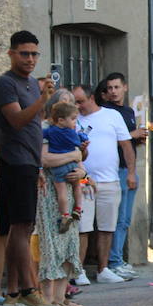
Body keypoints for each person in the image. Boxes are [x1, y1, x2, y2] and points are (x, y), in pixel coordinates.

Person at [0, 30, 62, 306]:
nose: (30, 59)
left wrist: (39, 167)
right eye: (24, 53)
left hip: (30, 163)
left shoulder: (33, 84)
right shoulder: (5, 83)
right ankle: (28, 290)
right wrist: (43, 100)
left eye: (34, 54)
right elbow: (17, 120)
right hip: (14, 162)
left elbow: (35, 127)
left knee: (21, 228)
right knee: (21, 227)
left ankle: (13, 291)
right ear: (11, 53)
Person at [75, 84, 135, 283]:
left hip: (109, 180)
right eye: (75, 102)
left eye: (81, 101)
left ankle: (103, 269)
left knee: (107, 227)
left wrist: (131, 173)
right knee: (82, 227)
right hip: (83, 182)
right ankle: (79, 270)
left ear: (92, 98)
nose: (78, 106)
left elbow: (126, 145)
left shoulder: (112, 116)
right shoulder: (73, 119)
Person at [37, 89, 85, 306]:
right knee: (52, 244)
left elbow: (81, 163)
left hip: (70, 191)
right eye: (63, 102)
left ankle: (60, 297)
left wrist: (82, 172)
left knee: (69, 244)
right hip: (50, 192)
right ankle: (48, 299)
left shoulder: (73, 129)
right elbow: (45, 159)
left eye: (71, 103)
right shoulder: (46, 130)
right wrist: (73, 156)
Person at [99, 72, 145, 279]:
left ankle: (118, 259)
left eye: (117, 87)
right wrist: (132, 135)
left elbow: (128, 142)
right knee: (116, 219)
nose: (113, 92)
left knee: (125, 219)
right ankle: (114, 261)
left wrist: (138, 139)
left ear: (125, 87)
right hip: (115, 171)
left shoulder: (128, 111)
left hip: (129, 169)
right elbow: (110, 140)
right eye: (109, 88)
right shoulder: (106, 112)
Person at [42, 98, 87, 232]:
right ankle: (78, 208)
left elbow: (41, 135)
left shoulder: (49, 131)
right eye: (73, 119)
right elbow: (78, 146)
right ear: (61, 119)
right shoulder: (71, 132)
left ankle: (65, 215)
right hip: (71, 165)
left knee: (61, 192)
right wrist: (82, 141)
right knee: (77, 187)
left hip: (59, 169)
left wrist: (83, 174)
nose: (75, 122)